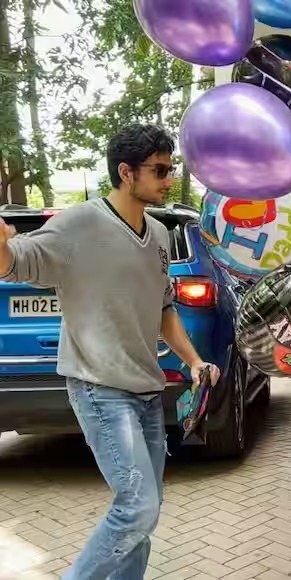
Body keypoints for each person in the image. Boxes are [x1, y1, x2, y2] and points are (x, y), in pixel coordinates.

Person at [0, 124, 221, 580]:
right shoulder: (78, 224)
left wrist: (194, 360)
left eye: (170, 168)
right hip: (100, 390)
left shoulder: (158, 234)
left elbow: (164, 308)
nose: (168, 179)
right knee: (137, 508)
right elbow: (17, 262)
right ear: (126, 172)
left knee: (145, 512)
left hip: (147, 392)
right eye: (159, 170)